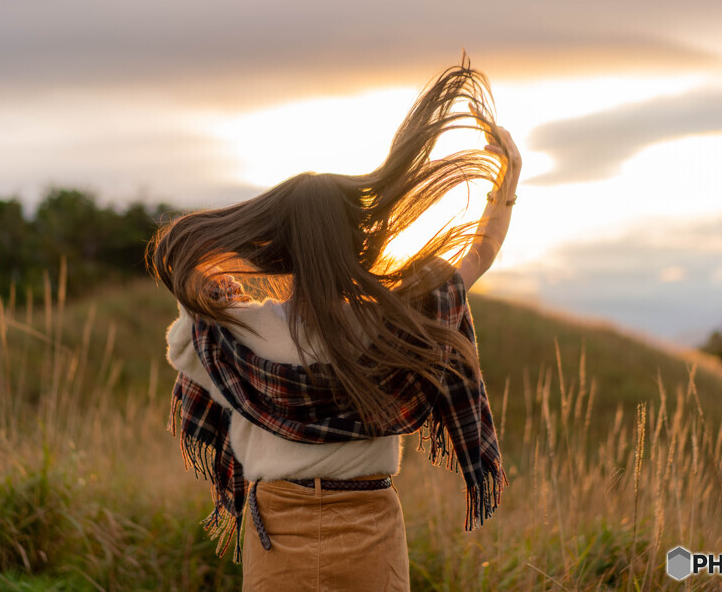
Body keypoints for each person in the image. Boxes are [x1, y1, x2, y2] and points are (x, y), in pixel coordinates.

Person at [148, 57, 521, 591]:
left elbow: (185, 298)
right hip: (368, 517)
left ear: (276, 243)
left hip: (278, 522)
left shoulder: (236, 332)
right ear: (357, 240)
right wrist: (505, 187)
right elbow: (478, 255)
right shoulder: (392, 320)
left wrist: (206, 293)